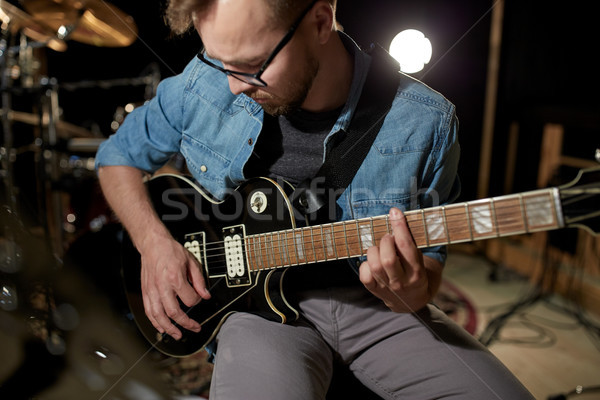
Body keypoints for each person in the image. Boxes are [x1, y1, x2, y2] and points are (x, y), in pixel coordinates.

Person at [95, 0, 535, 398]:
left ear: (321, 21)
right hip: (256, 312)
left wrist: (413, 288)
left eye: (250, 65)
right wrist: (153, 243)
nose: (232, 87)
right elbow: (116, 157)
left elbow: (429, 264)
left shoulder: (425, 122)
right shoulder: (204, 82)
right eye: (221, 62)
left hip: (370, 307)